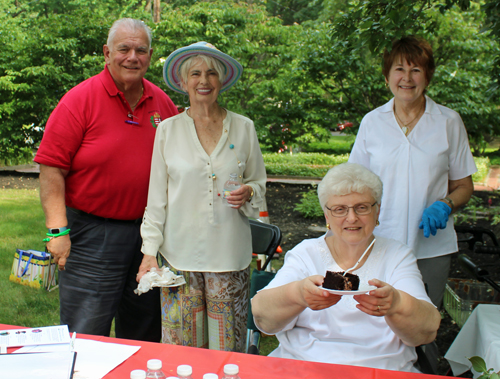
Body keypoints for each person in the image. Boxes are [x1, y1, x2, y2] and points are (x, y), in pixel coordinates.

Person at [34, 18, 178, 341]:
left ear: (150, 55)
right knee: (85, 330)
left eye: (141, 50)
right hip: (92, 235)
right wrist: (57, 230)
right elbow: (51, 168)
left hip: (150, 238)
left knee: (146, 330)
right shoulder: (79, 100)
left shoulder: (162, 104)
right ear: (106, 52)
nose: (132, 57)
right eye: (124, 49)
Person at [137, 42, 266, 352]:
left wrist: (249, 190)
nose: (204, 81)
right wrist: (149, 251)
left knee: (227, 349)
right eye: (195, 73)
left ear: (222, 81)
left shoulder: (244, 128)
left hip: (229, 255)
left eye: (211, 73)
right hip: (180, 258)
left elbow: (259, 184)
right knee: (181, 347)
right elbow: (156, 198)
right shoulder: (167, 130)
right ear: (183, 82)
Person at [251, 163, 441, 372]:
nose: (352, 218)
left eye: (362, 207)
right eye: (340, 209)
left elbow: (427, 330)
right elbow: (262, 317)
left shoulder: (397, 256)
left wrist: (397, 303)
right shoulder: (306, 254)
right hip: (305, 368)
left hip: (381, 369)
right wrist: (297, 294)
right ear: (327, 215)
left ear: (377, 210)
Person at [348, 36, 477, 308]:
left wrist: (446, 204)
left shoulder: (448, 122)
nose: (407, 78)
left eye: (416, 70)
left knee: (422, 322)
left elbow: (465, 185)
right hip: (379, 242)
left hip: (431, 246)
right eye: (399, 69)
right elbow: (354, 183)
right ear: (387, 77)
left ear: (427, 77)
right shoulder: (372, 122)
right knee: (376, 319)